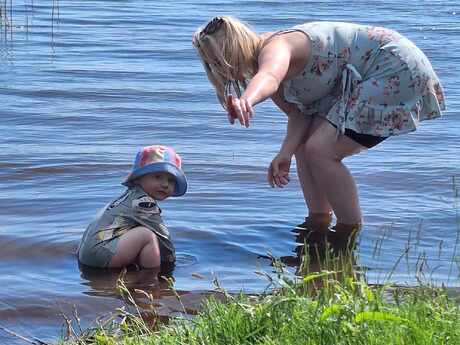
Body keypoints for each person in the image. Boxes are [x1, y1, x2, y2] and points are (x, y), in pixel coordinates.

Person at [192, 16, 445, 252]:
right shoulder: (275, 81)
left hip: (391, 66)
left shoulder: (276, 48)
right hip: (365, 77)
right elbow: (298, 115)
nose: (219, 69)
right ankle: (318, 224)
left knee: (321, 151)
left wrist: (247, 99)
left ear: (236, 48)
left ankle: (348, 232)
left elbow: (269, 75)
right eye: (212, 64)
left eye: (220, 60)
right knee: (305, 147)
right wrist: (285, 152)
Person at [78, 145, 187, 269]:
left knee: (140, 232)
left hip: (88, 253)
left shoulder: (130, 196)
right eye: (157, 177)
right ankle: (150, 278)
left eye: (171, 180)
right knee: (147, 235)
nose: (165, 184)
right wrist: (170, 264)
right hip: (100, 256)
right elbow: (162, 236)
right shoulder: (143, 202)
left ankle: (130, 268)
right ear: (138, 179)